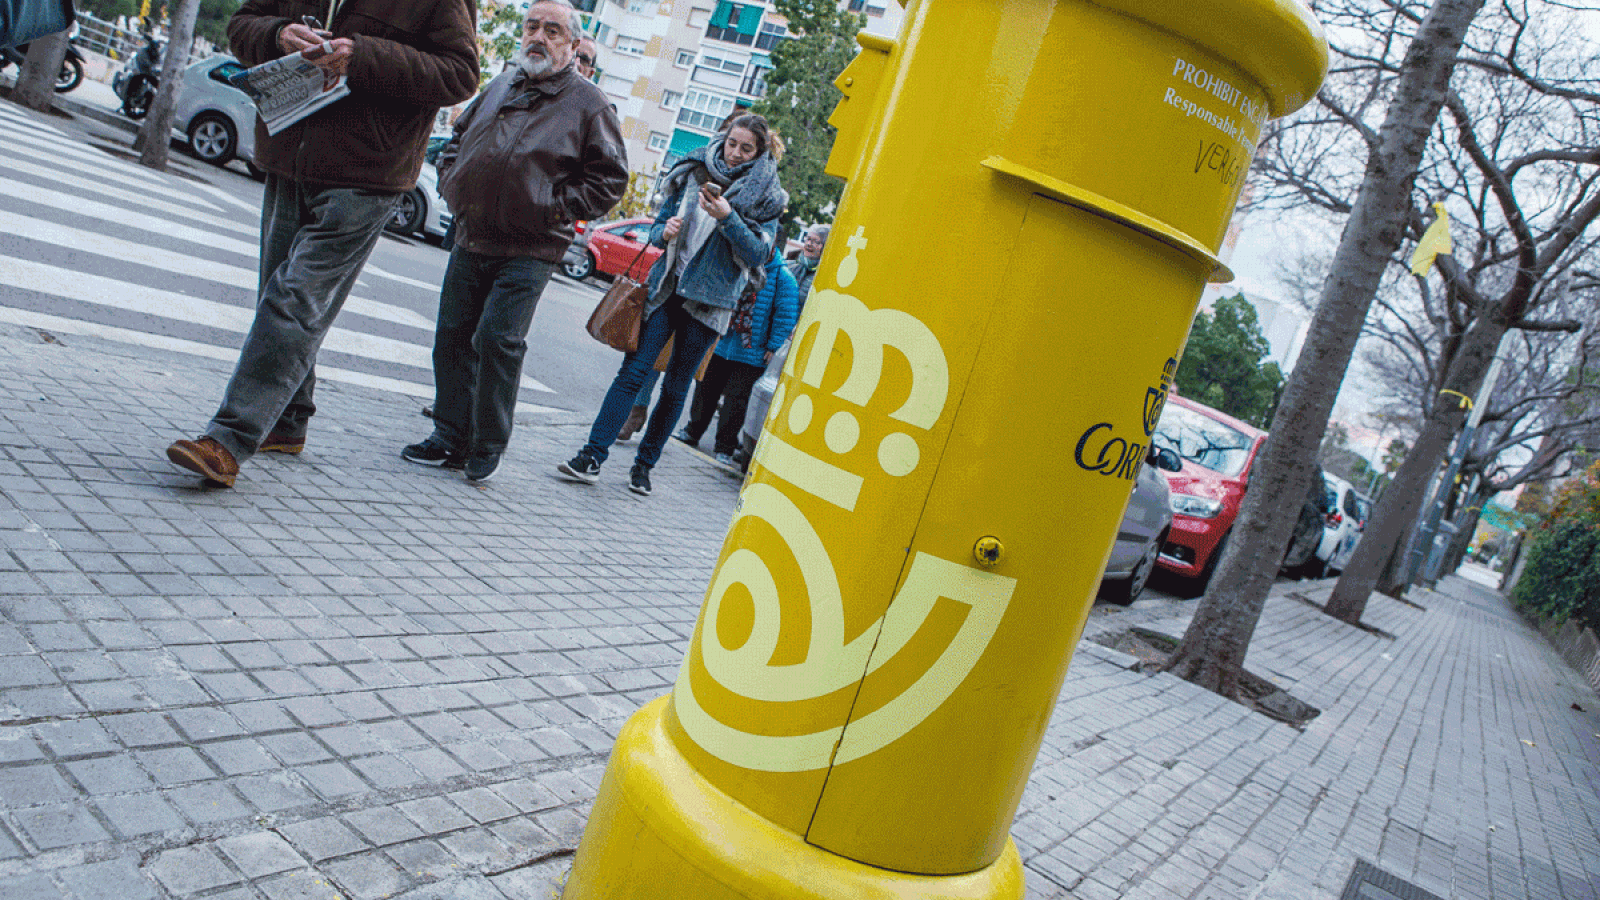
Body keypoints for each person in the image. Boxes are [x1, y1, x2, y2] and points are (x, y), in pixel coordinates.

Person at [164, 0, 478, 488]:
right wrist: (277, 36)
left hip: (369, 170)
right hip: (289, 151)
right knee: (279, 294)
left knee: (294, 300)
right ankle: (286, 424)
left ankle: (228, 438)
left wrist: (363, 56)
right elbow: (242, 24)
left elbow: (459, 75)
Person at [401, 0, 627, 482]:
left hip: (532, 245)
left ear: (571, 42)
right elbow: (457, 140)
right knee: (453, 336)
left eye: (552, 30)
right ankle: (449, 435)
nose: (538, 37)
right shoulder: (502, 83)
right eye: (532, 27)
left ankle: (485, 444)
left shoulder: (589, 103)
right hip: (473, 233)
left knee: (498, 340)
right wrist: (452, 181)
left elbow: (610, 181)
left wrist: (553, 206)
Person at [558, 114, 786, 496]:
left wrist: (728, 218)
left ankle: (644, 467)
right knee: (632, 373)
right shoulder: (694, 169)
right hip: (668, 288)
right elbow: (656, 226)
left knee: (676, 387)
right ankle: (592, 455)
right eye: (732, 143)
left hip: (711, 304)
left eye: (746, 148)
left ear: (760, 152)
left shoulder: (766, 194)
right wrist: (662, 232)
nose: (735, 153)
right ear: (724, 139)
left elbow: (760, 253)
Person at [674, 245, 798, 466]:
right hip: (722, 341)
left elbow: (786, 315)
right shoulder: (739, 263)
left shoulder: (782, 277)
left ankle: (725, 447)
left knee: (736, 401)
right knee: (706, 388)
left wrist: (773, 346)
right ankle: (692, 431)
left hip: (752, 352)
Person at [789, 224, 828, 302]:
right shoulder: (790, 267)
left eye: (816, 241)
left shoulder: (824, 277)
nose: (809, 244)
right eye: (808, 239)